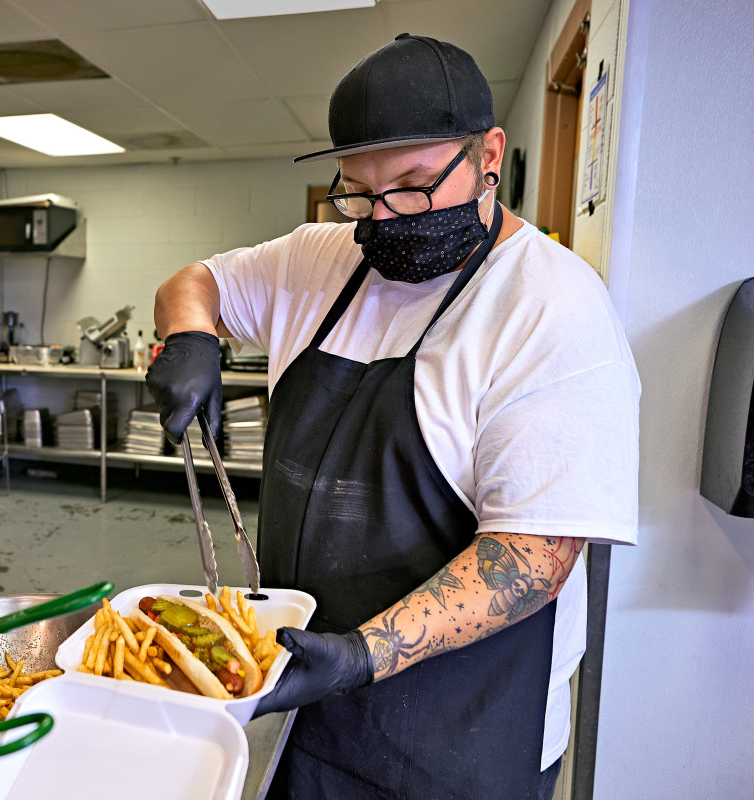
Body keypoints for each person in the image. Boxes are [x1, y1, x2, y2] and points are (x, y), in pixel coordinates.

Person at [145, 33, 639, 800]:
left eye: (414, 184)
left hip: (456, 735)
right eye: (360, 192)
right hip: (299, 701)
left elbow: (533, 559)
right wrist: (190, 334)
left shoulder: (552, 307)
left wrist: (361, 656)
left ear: (489, 156)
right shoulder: (319, 258)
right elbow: (196, 280)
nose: (385, 215)